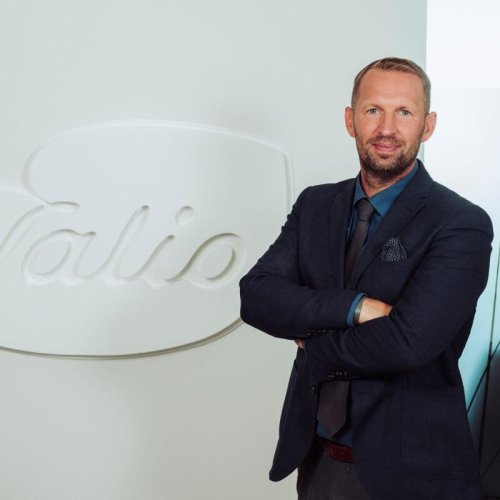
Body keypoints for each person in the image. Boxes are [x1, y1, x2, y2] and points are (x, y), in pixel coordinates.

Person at [239, 57, 493, 500]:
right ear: (350, 120)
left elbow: (407, 343)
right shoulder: (315, 205)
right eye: (373, 110)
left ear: (428, 126)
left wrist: (313, 345)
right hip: (318, 460)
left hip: (413, 475)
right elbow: (257, 295)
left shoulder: (460, 223)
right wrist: (354, 307)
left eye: (404, 112)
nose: (387, 128)